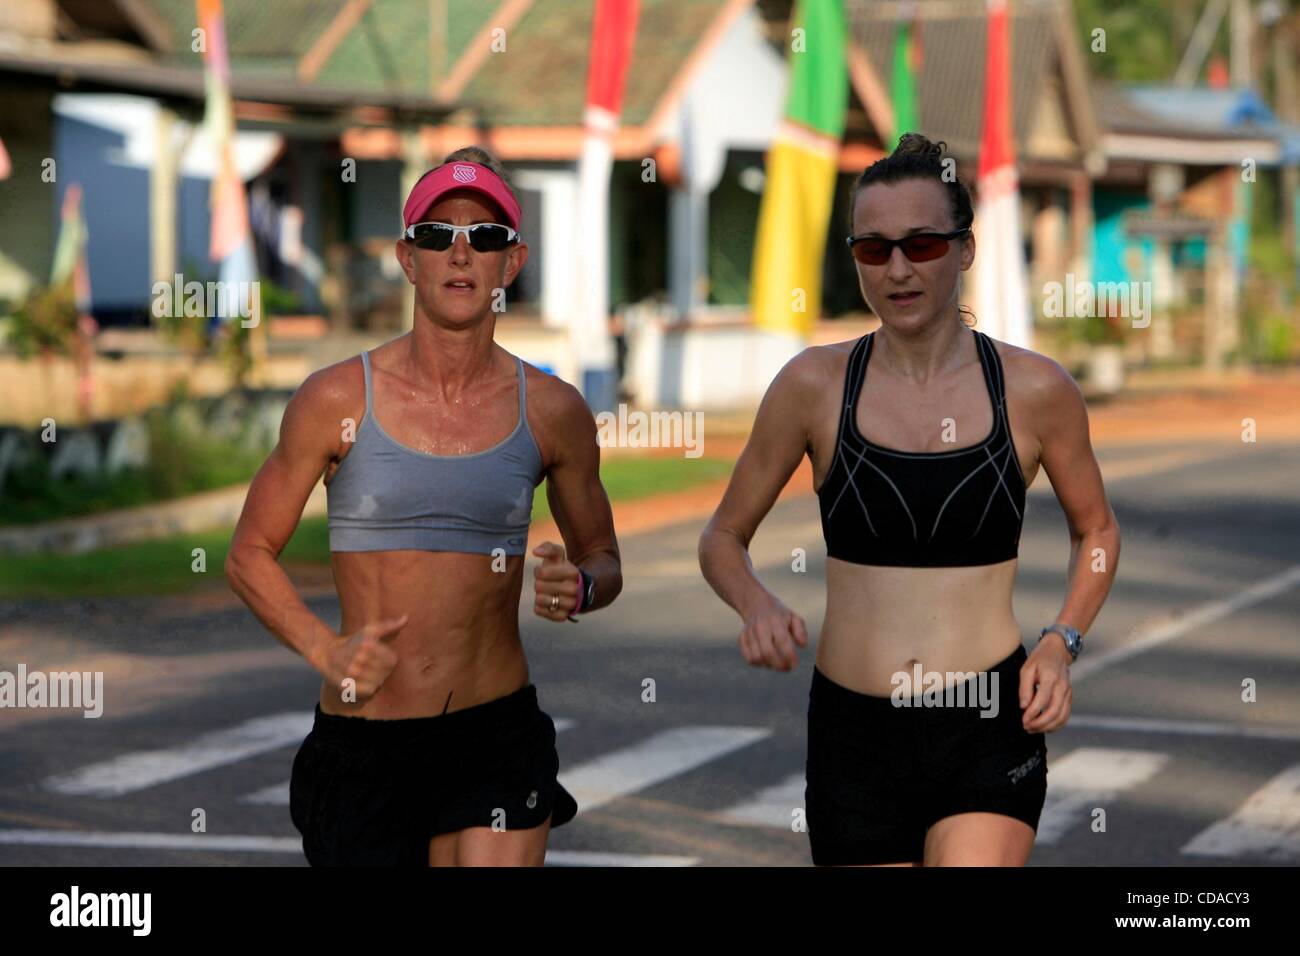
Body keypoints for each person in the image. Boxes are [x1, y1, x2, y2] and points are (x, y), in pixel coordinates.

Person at [698, 133, 1120, 866]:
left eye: (922, 246)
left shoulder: (1035, 390)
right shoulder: (812, 386)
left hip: (986, 721)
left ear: (965, 250)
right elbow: (722, 537)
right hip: (853, 731)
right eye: (873, 249)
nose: (897, 269)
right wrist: (756, 604)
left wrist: (1062, 641)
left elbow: (1099, 533)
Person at [226, 145, 622, 867]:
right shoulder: (335, 399)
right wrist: (326, 649)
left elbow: (603, 558)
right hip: (365, 744)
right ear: (410, 258)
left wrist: (583, 586)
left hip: (494, 739)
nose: (462, 254)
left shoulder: (554, 412)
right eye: (439, 236)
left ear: (513, 261)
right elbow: (248, 553)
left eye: (487, 236)